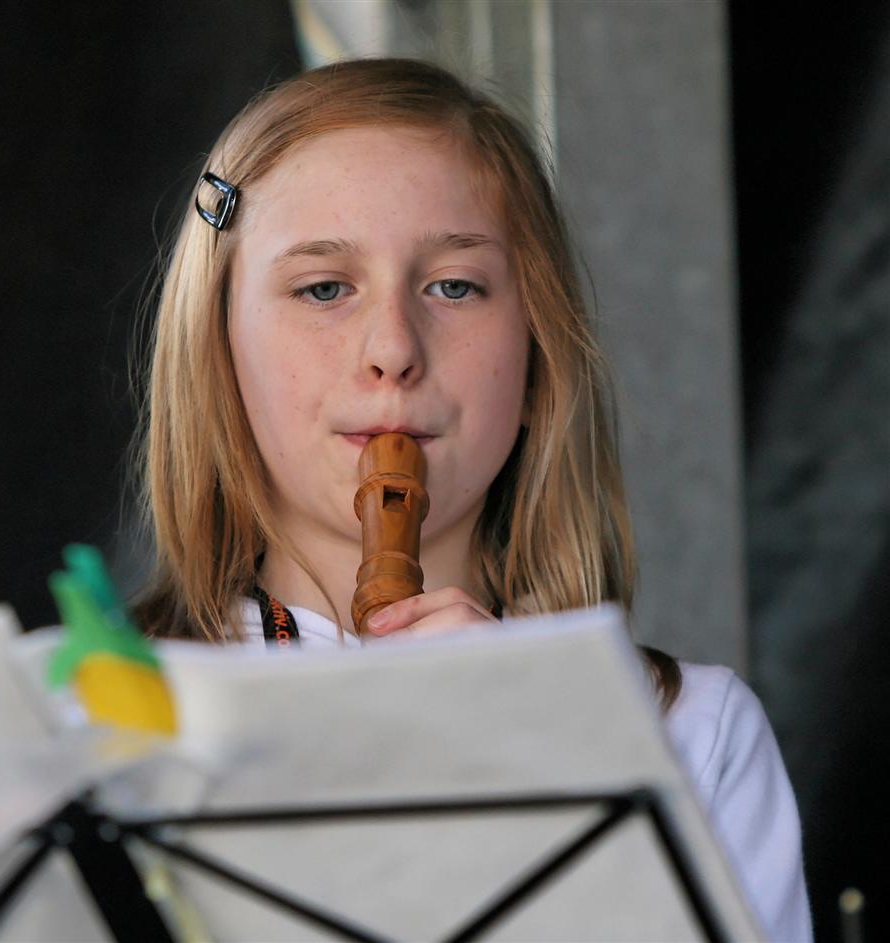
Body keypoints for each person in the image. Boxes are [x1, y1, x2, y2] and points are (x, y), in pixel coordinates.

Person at [134, 58, 811, 941]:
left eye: (454, 285)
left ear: (536, 359)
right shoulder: (101, 724)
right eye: (324, 288)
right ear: (216, 353)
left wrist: (537, 765)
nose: (392, 348)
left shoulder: (694, 733)